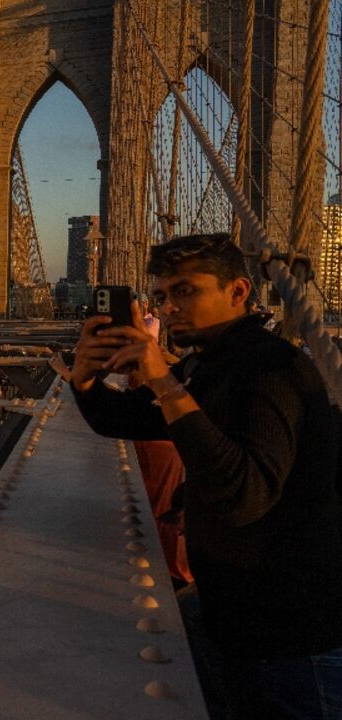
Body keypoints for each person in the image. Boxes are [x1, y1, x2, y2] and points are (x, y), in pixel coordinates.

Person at [71, 232, 342, 718]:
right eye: (160, 296)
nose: (169, 307)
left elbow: (243, 494)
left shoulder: (271, 368)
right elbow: (126, 419)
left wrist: (161, 378)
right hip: (236, 616)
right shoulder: (206, 363)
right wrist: (85, 380)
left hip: (291, 639)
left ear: (238, 291)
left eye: (185, 291)